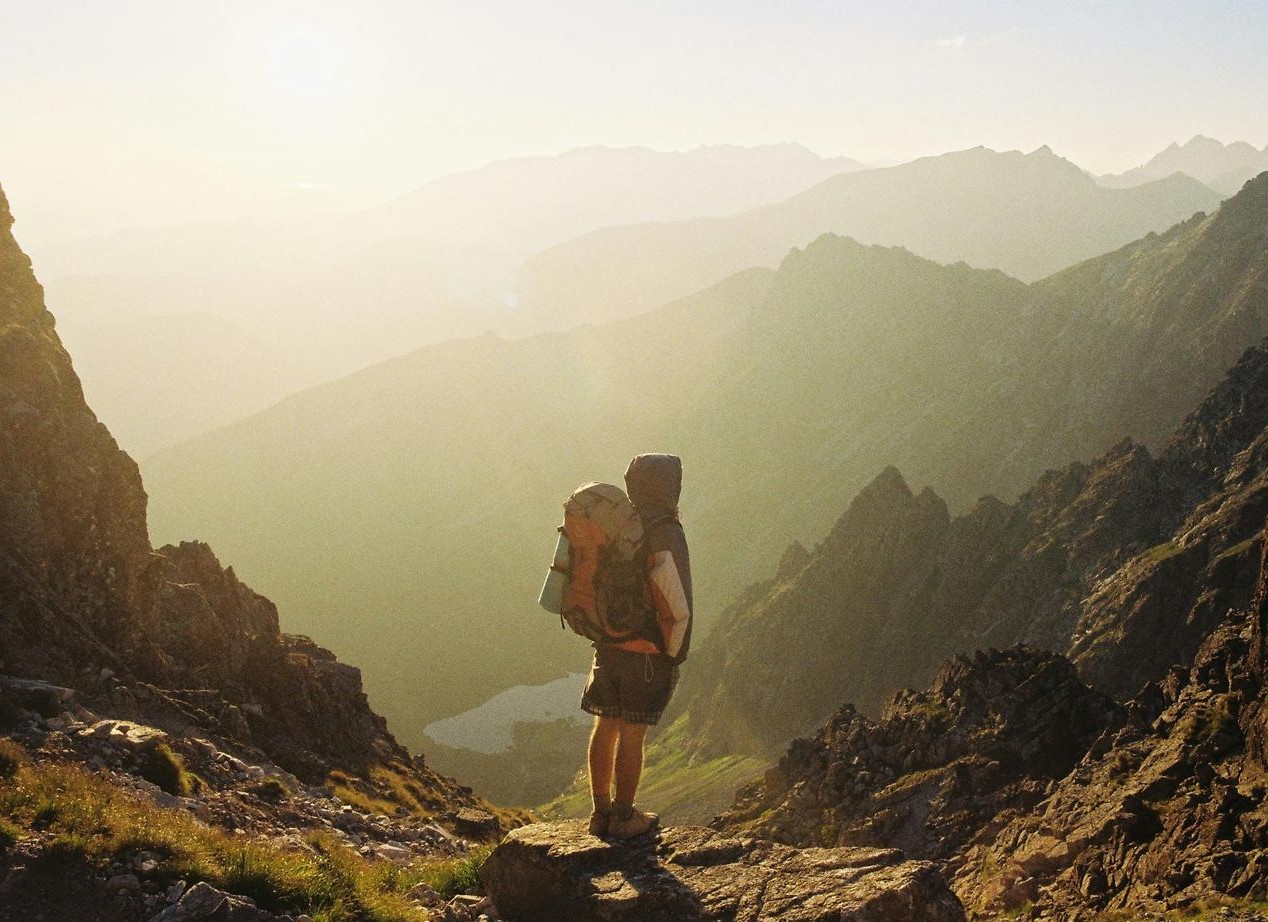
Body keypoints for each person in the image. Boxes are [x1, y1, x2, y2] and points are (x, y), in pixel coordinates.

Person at [581, 453, 693, 839]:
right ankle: (625, 817)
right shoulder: (665, 530)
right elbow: (675, 599)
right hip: (645, 653)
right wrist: (674, 653)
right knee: (632, 733)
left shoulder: (618, 525)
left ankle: (599, 814)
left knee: (605, 724)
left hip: (607, 645)